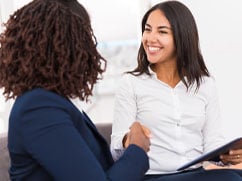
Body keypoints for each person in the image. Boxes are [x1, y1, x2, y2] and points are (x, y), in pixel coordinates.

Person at [0, 0, 151, 180]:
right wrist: (137, 149)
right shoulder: (38, 108)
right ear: (66, 42)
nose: (89, 47)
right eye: (84, 35)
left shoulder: (51, 101)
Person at [110, 1, 242, 180]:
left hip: (195, 173)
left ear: (182, 37)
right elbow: (115, 152)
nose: (150, 38)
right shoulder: (131, 83)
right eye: (148, 29)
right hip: (153, 176)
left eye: (162, 31)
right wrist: (129, 140)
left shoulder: (205, 84)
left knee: (234, 174)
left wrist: (227, 156)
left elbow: (213, 142)